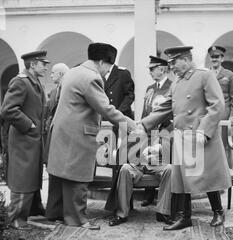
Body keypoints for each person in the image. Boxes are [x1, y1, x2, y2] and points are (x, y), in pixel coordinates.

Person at [139, 46, 231, 230]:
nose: (171, 67)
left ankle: (218, 212)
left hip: (201, 136)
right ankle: (184, 217)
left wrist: (204, 131)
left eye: (174, 62)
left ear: (186, 59)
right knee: (183, 179)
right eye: (170, 63)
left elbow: (217, 105)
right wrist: (144, 124)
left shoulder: (204, 75)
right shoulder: (176, 83)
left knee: (209, 176)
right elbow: (165, 107)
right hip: (182, 137)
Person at [46, 43, 137, 229]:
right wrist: (131, 125)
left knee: (61, 174)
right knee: (77, 176)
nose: (107, 72)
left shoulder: (73, 71)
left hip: (62, 131)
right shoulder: (91, 78)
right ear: (102, 62)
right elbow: (106, 109)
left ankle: (56, 214)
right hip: (77, 134)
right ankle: (77, 219)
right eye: (108, 67)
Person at [0, 51, 50, 229]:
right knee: (22, 178)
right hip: (23, 139)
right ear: (33, 64)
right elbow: (7, 110)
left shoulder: (34, 82)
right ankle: (16, 220)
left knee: (30, 176)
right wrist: (29, 125)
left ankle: (30, 212)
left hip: (31, 140)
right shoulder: (20, 81)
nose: (46, 67)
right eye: (43, 63)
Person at [140, 55, 173, 207]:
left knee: (163, 163)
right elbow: (145, 112)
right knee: (148, 159)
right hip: (149, 132)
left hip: (165, 131)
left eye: (152, 69)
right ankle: (148, 194)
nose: (150, 72)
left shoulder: (172, 87)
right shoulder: (150, 88)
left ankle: (164, 198)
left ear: (162, 69)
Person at [44, 63, 69, 164]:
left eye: (53, 73)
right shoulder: (54, 91)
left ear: (60, 74)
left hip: (65, 133)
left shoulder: (70, 89)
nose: (50, 75)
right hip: (52, 132)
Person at [208, 46, 233, 122]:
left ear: (222, 59)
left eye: (217, 57)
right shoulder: (205, 74)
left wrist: (232, 116)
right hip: (208, 114)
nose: (214, 59)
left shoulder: (229, 74)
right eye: (212, 57)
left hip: (224, 114)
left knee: (223, 134)